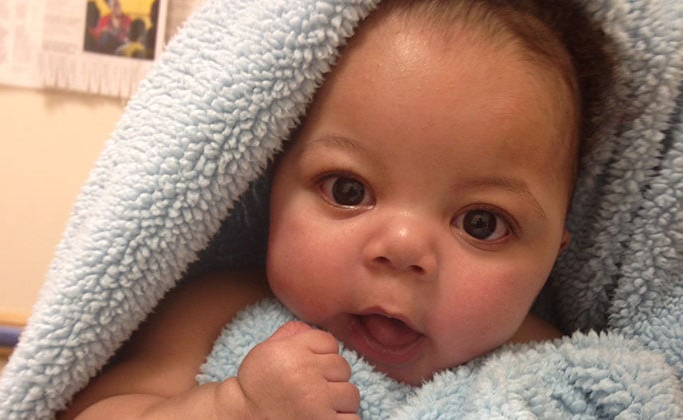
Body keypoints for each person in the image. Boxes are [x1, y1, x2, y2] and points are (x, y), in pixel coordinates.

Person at [61, 0, 611, 417]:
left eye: (481, 224)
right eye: (347, 191)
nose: (401, 249)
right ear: (268, 181)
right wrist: (233, 405)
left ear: (551, 254)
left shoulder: (549, 371)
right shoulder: (219, 309)